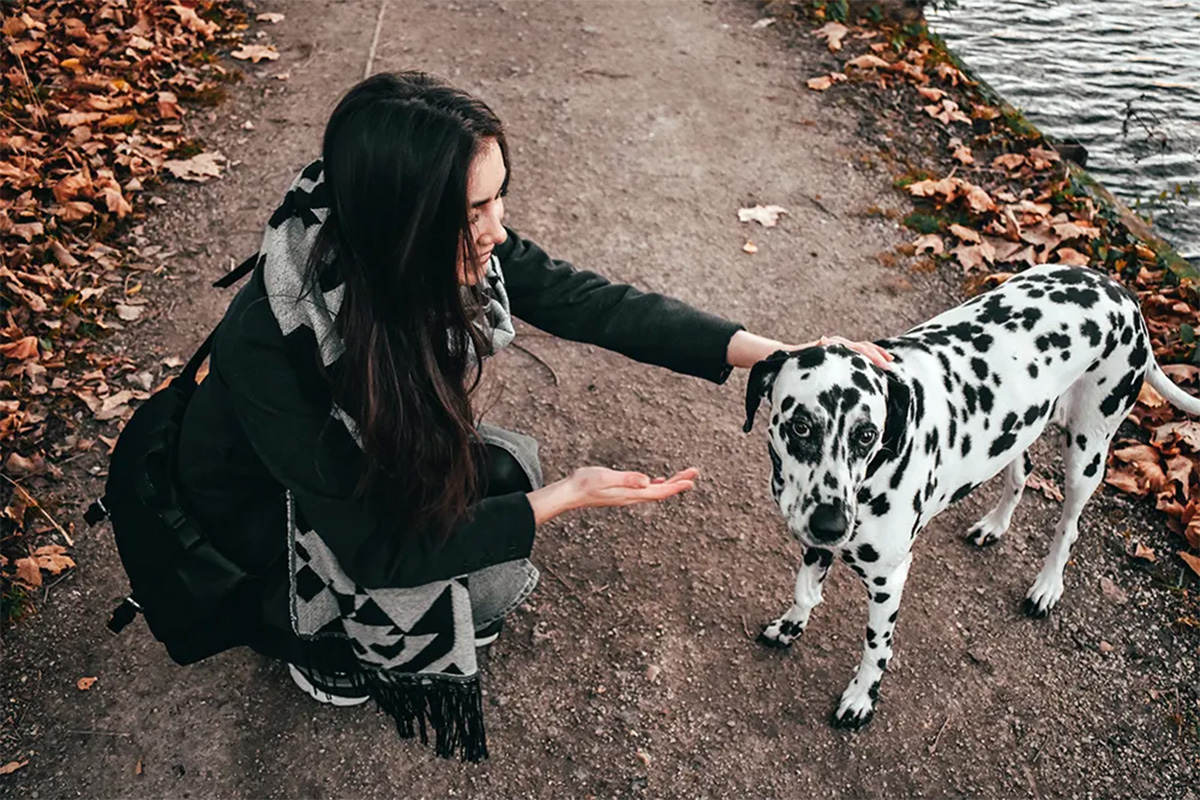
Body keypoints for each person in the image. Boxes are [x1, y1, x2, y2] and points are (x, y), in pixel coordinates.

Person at [172, 70, 890, 756]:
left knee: (502, 484)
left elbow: (587, 300)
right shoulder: (280, 343)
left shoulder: (400, 241)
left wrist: (781, 356)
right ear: (405, 220)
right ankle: (317, 644)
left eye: (498, 198)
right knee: (485, 568)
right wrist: (568, 496)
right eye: (474, 213)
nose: (496, 230)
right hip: (264, 528)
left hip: (341, 471)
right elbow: (378, 548)